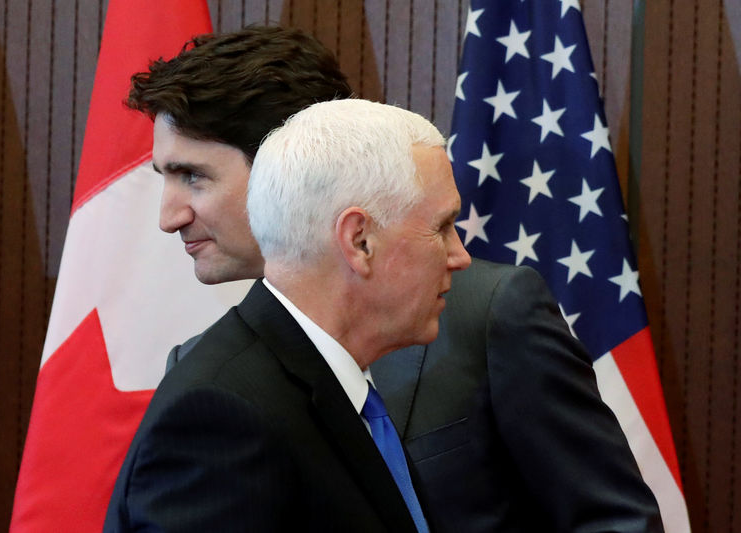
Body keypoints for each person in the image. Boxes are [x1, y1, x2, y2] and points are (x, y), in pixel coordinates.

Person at [121, 26, 664, 532]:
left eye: (193, 176)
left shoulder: (491, 313)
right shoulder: (209, 383)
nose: (169, 216)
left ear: (288, 159)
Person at [104, 99, 471, 532]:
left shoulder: (325, 383)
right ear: (359, 242)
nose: (459, 256)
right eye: (441, 228)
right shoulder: (223, 417)